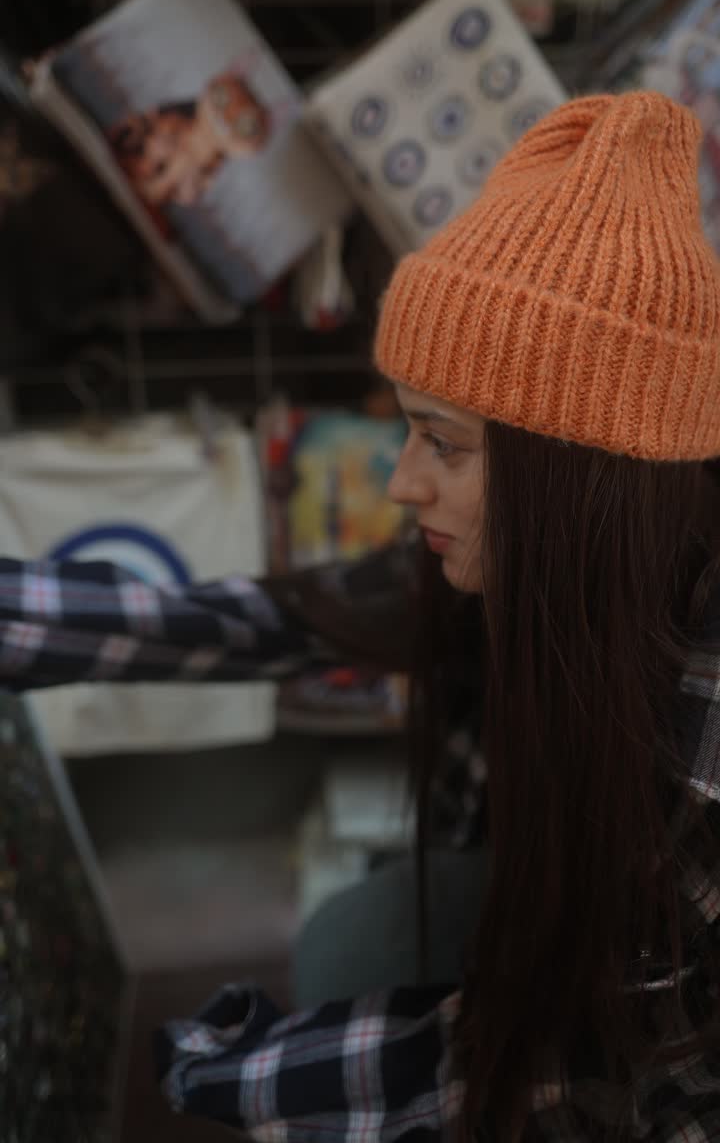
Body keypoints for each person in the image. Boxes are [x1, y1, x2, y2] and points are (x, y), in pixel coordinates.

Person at [2, 90, 720, 1141]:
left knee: (354, 951)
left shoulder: (707, 738)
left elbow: (626, 1086)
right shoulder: (562, 566)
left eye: (444, 443)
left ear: (582, 476)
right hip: (575, 960)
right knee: (363, 930)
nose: (399, 482)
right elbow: (272, 619)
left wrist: (249, 1074)